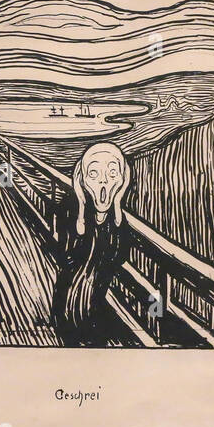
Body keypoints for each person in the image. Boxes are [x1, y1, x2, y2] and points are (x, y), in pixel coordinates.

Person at [50, 141, 135, 347]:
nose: (104, 182)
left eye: (113, 173)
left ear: (123, 178)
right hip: (68, 303)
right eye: (94, 174)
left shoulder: (117, 219)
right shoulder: (69, 208)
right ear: (82, 178)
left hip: (96, 304)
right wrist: (80, 215)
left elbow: (120, 256)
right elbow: (64, 254)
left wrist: (116, 208)